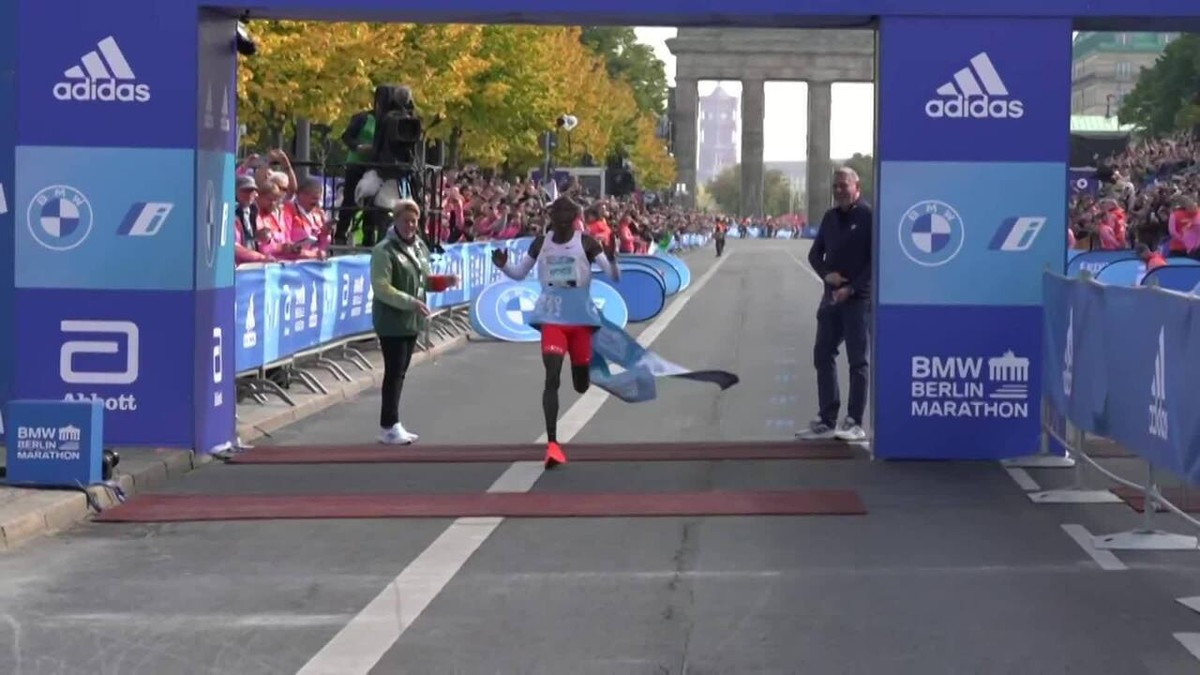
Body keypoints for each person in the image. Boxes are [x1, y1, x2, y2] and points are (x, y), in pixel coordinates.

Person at [491, 196, 620, 468]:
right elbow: (519, 273)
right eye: (556, 213)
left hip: (581, 320)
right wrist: (503, 265)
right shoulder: (541, 243)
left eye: (566, 214)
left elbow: (613, 276)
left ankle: (586, 365)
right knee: (551, 377)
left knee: (581, 385)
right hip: (551, 317)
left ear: (574, 217)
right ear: (551, 216)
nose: (561, 218)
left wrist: (612, 260)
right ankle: (552, 444)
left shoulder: (586, 242)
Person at [798, 166, 871, 443]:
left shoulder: (868, 216)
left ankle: (854, 420)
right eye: (835, 186)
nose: (839, 190)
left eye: (844, 186)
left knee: (857, 361)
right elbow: (815, 254)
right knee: (822, 354)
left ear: (856, 187)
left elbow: (875, 261)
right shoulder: (829, 217)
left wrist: (851, 288)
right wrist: (826, 275)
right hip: (830, 299)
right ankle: (827, 419)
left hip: (858, 300)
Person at [370, 198, 447, 444]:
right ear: (396, 220)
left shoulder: (419, 247)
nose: (411, 226)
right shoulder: (384, 250)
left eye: (414, 221)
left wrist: (444, 282)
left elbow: (424, 281)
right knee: (394, 372)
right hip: (392, 320)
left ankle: (393, 423)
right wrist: (409, 302)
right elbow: (381, 287)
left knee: (400, 372)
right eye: (406, 221)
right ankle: (389, 425)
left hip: (412, 320)